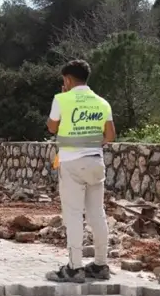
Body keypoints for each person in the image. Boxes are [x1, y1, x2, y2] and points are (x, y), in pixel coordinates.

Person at [45, 59, 116, 283]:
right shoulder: (102, 102)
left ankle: (74, 269)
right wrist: (91, 144)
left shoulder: (62, 99)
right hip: (96, 162)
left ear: (67, 79)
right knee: (97, 213)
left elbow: (52, 127)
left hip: (71, 163)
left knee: (74, 215)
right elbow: (111, 135)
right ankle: (101, 265)